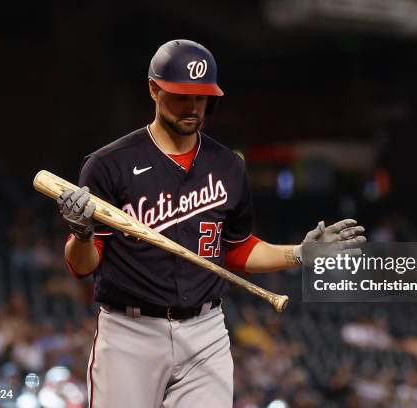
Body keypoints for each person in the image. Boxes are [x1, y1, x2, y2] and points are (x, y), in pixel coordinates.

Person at [57, 39, 366, 408]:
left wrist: (299, 254)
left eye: (201, 98)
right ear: (154, 89)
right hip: (130, 333)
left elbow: (235, 248)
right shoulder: (110, 164)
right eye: (181, 95)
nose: (192, 107)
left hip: (205, 331)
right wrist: (82, 234)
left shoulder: (228, 165)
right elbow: (82, 266)